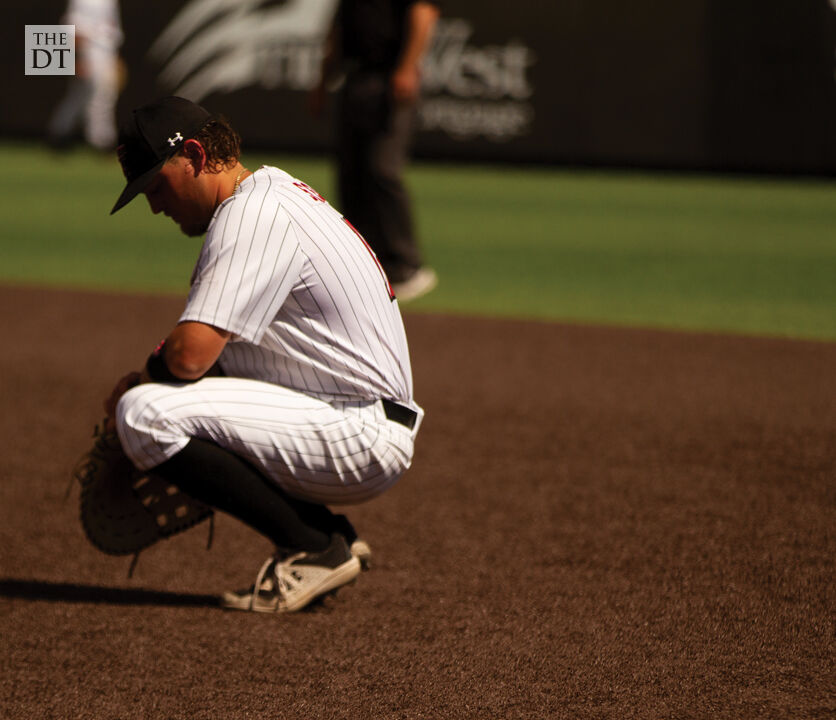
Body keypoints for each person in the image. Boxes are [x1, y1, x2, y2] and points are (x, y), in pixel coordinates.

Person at [105, 96, 424, 614]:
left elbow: (187, 357)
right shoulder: (270, 195)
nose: (155, 205)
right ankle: (331, 533)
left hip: (358, 430)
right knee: (184, 384)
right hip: (350, 411)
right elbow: (207, 359)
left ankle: (313, 547)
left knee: (142, 416)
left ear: (194, 155)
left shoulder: (252, 215)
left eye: (156, 185)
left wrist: (140, 381)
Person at [311, 0, 440, 302]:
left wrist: (408, 67)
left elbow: (424, 14)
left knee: (383, 169)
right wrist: (322, 81)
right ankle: (358, 262)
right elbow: (339, 29)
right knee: (351, 173)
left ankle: (407, 265)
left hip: (388, 77)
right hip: (354, 78)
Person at [48, 0, 124, 151]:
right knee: (98, 97)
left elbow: (111, 30)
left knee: (91, 96)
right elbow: (75, 26)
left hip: (106, 52)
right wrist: (78, 58)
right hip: (90, 51)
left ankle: (60, 133)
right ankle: (101, 141)